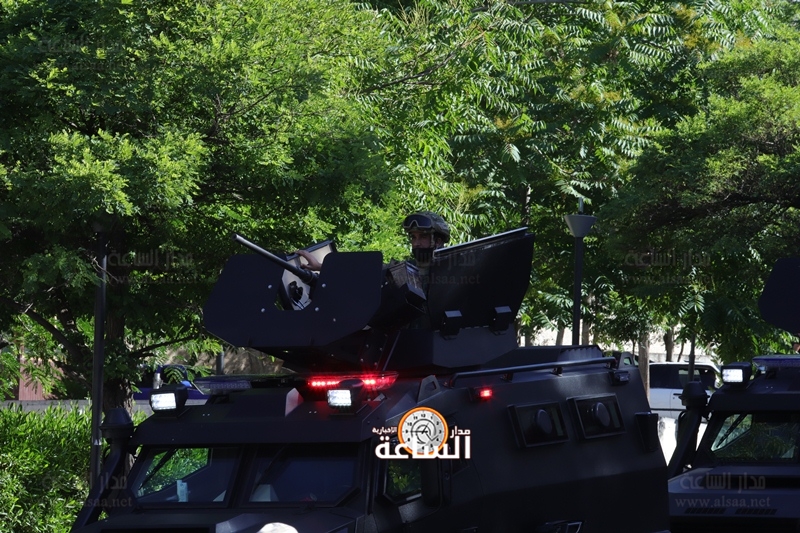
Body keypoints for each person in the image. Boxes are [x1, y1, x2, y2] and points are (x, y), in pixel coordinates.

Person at [296, 211, 450, 271]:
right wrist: (322, 266)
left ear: (437, 241)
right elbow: (369, 271)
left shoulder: (452, 270)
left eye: (423, 237)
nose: (416, 243)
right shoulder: (409, 270)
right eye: (413, 237)